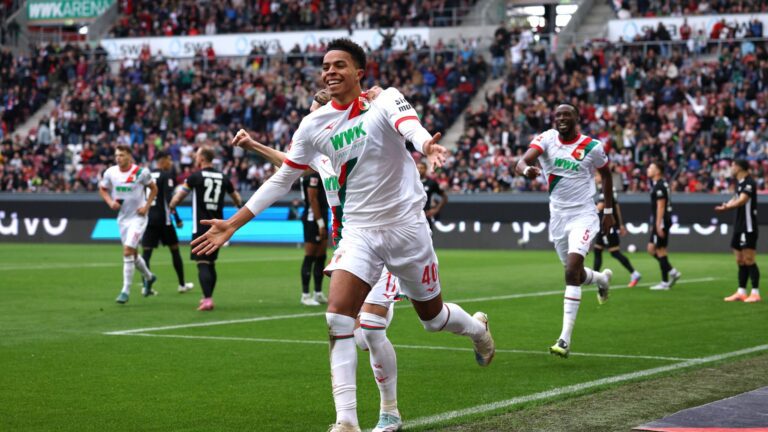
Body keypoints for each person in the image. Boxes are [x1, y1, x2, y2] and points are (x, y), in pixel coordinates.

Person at [193, 39, 494, 432]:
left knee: (432, 320)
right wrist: (233, 223)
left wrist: (426, 146)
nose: (330, 72)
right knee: (342, 319)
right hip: (358, 233)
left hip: (405, 228)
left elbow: (410, 126)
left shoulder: (384, 100)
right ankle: (350, 420)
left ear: (359, 72)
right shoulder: (312, 128)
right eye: (325, 66)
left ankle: (477, 330)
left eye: (339, 65)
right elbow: (283, 176)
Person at [515, 103, 614, 358]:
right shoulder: (547, 139)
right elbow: (522, 161)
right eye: (558, 115)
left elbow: (606, 175)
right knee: (575, 274)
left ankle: (564, 339)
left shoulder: (591, 146)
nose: (561, 118)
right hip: (558, 217)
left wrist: (608, 210)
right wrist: (526, 170)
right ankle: (601, 279)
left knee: (571, 271)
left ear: (576, 118)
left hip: (583, 215)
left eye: (566, 114)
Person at [169, 147, 242, 311]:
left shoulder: (195, 177)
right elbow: (237, 198)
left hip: (201, 226)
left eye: (197, 155)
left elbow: (179, 197)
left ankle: (207, 299)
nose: (195, 158)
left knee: (202, 263)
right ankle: (207, 297)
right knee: (211, 263)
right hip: (219, 226)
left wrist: (172, 205)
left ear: (202, 158)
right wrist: (238, 207)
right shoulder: (223, 177)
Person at [98, 145, 158, 303]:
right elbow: (102, 189)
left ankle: (125, 291)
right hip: (123, 218)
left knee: (127, 251)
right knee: (133, 254)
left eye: (122, 155)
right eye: (117, 155)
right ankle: (149, 277)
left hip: (138, 217)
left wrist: (146, 207)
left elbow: (154, 189)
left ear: (130, 156)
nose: (118, 158)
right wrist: (110, 202)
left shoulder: (141, 172)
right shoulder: (110, 172)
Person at [141, 150, 194, 294]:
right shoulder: (166, 175)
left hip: (149, 219)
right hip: (164, 220)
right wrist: (177, 219)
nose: (170, 163)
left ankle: (145, 287)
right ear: (162, 160)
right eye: (169, 160)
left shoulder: (147, 175)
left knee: (146, 253)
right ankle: (182, 284)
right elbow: (169, 199)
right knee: (175, 250)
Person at [717, 160, 760, 303]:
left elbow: (742, 200)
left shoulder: (749, 183)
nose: (731, 168)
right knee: (740, 260)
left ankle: (755, 293)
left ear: (740, 167)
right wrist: (726, 205)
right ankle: (741, 292)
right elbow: (735, 198)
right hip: (738, 226)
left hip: (748, 227)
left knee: (749, 259)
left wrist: (728, 208)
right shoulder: (740, 183)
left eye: (733, 165)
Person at [593, 172, 641, 287]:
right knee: (598, 249)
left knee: (614, 252)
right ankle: (595, 277)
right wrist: (621, 224)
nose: (594, 178)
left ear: (601, 176)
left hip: (607, 226)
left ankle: (634, 273)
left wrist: (585, 210)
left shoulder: (605, 188)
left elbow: (600, 206)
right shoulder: (609, 187)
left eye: (596, 175)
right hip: (606, 225)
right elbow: (617, 207)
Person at [646, 160, 682, 291]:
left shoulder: (660, 186)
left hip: (662, 221)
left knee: (660, 250)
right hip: (661, 220)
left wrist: (658, 224)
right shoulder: (660, 184)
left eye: (651, 167)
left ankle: (665, 281)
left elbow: (661, 206)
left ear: (657, 171)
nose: (648, 169)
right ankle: (671, 272)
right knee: (651, 249)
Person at [299, 170, 330, 306]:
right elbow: (312, 198)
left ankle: (318, 292)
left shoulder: (319, 172)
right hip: (313, 219)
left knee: (321, 256)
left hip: (322, 216)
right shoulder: (313, 175)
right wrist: (320, 223)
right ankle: (305, 295)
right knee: (310, 256)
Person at [418, 161, 448, 230]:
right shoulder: (412, 182)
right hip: (412, 216)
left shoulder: (431, 183)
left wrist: (436, 210)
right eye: (418, 168)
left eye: (421, 168)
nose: (419, 170)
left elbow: (445, 197)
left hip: (425, 215)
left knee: (427, 236)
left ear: (426, 169)